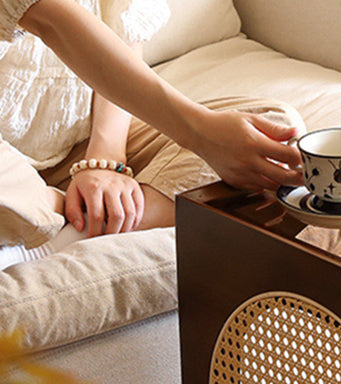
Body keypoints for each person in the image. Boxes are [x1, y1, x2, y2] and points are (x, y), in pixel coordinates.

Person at [0, 0, 304, 268]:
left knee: (271, 130)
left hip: (80, 143)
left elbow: (125, 33)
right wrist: (200, 132)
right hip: (7, 164)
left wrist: (105, 161)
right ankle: (74, 221)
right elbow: (52, 19)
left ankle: (65, 229)